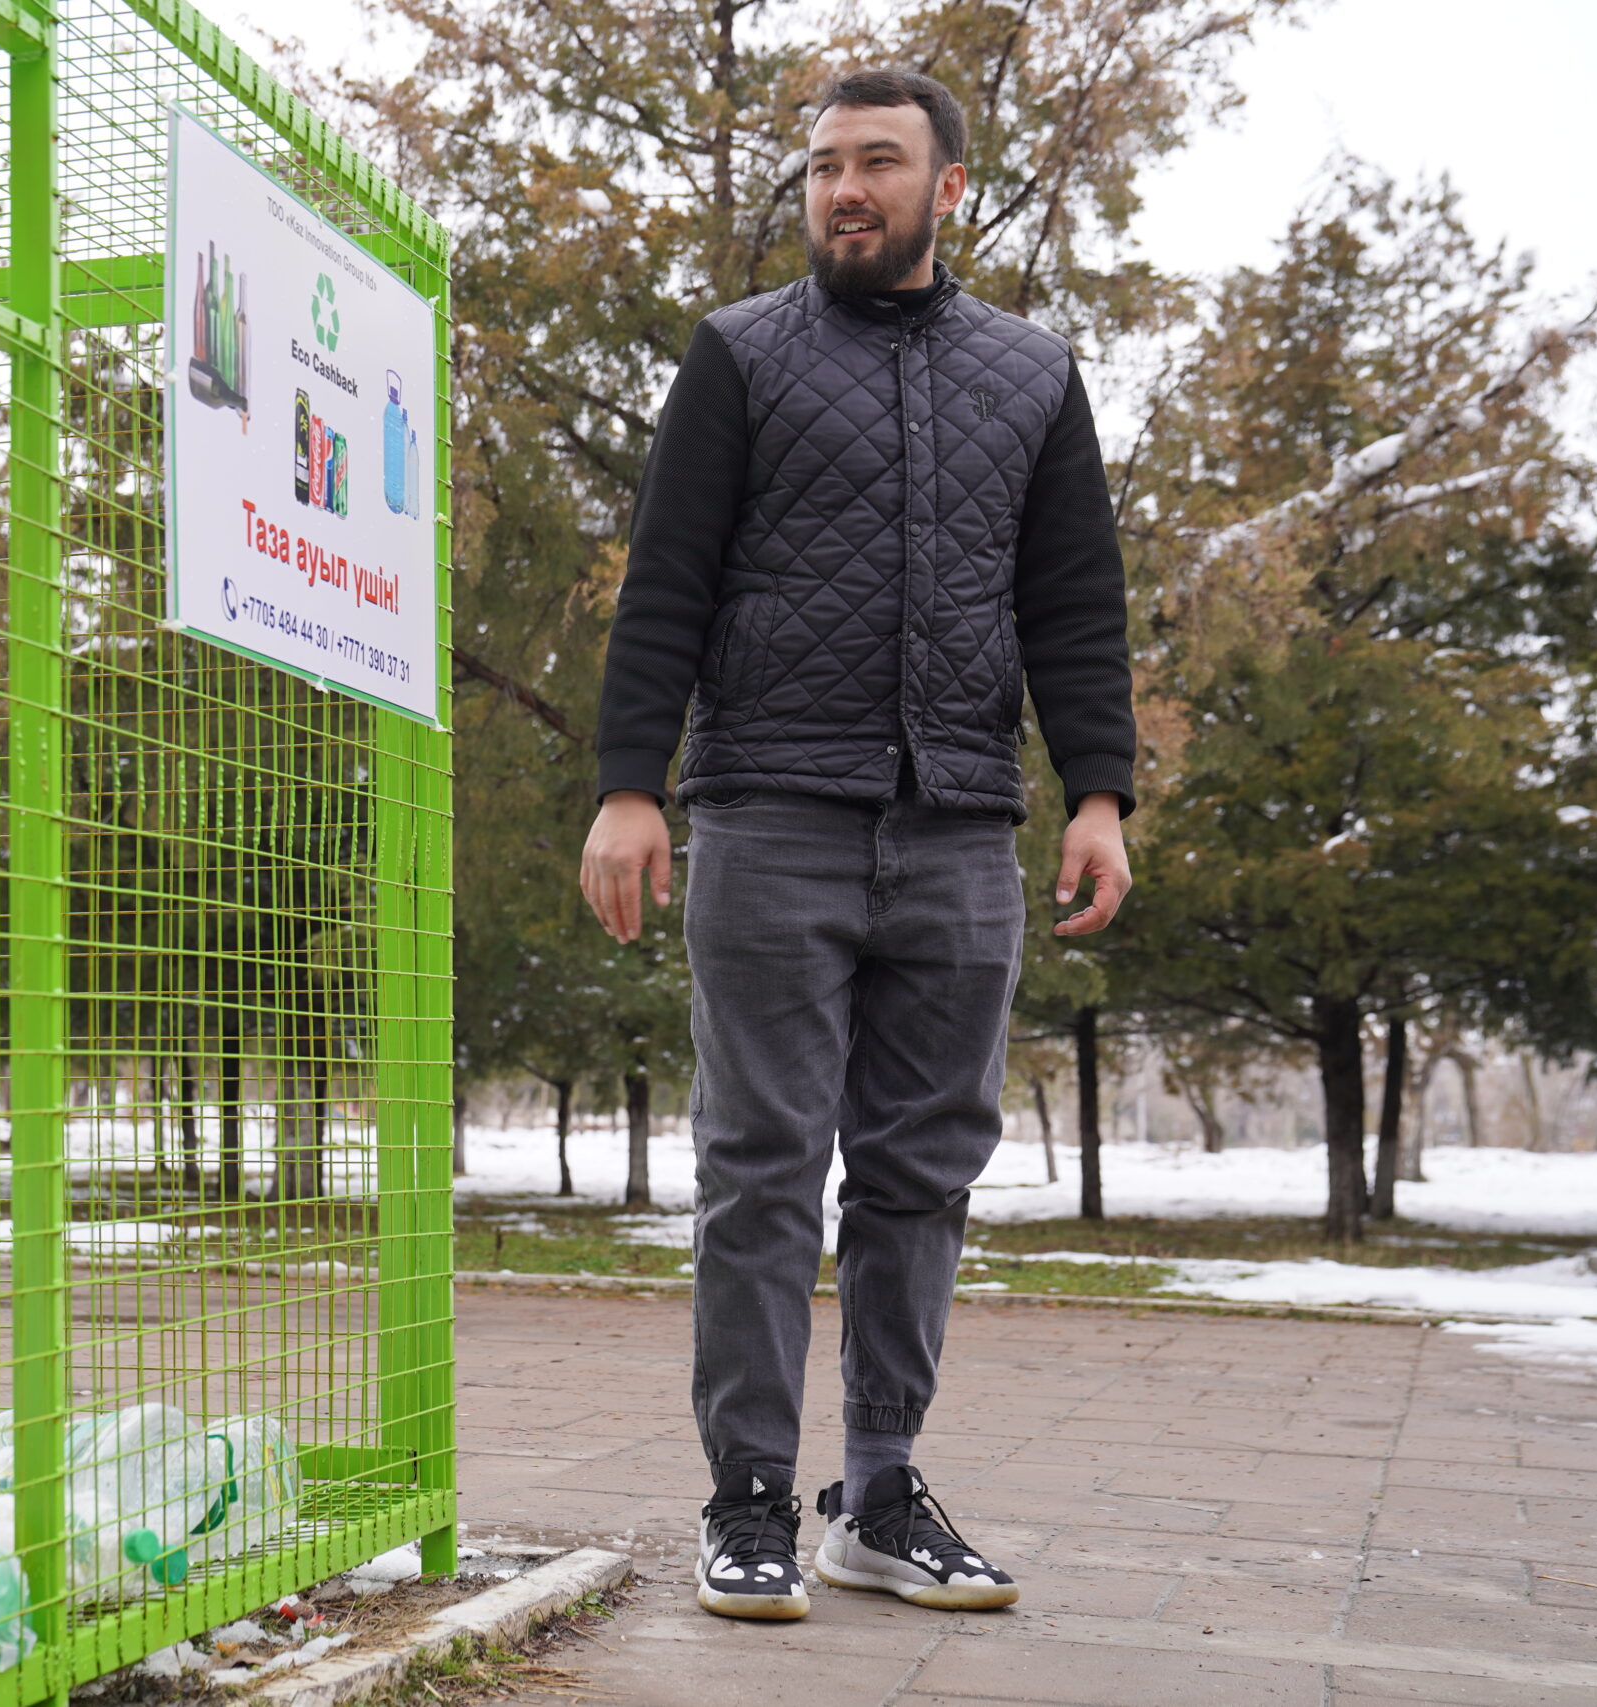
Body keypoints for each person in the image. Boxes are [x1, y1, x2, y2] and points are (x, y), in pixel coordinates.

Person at [578, 67, 1136, 1621]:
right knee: (759, 1168)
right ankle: (748, 1499)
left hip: (960, 831)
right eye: (824, 166)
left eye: (877, 164)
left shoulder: (1033, 373)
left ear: (948, 186)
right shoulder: (741, 356)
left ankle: (876, 1499)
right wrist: (633, 783)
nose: (843, 190)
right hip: (767, 815)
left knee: (922, 1175)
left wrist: (1100, 792)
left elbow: (1072, 602)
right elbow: (668, 580)